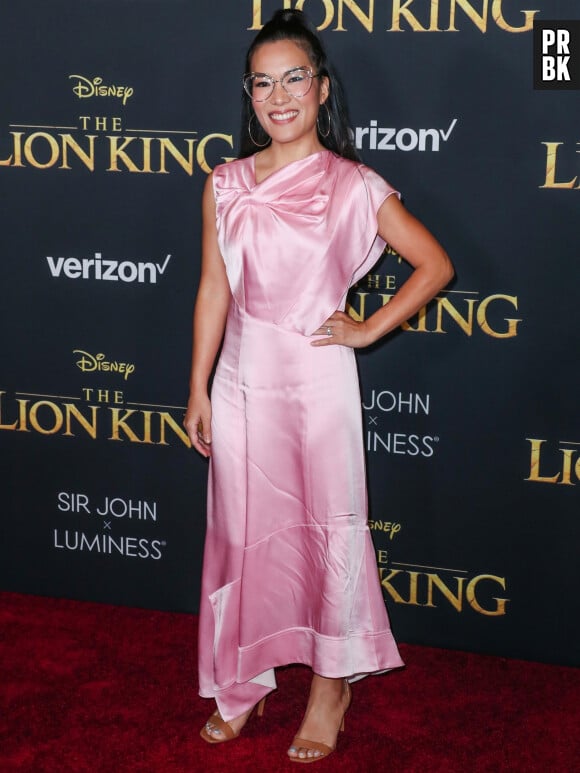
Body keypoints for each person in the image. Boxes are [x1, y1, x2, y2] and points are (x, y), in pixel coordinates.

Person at [184, 9, 453, 763]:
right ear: (250, 94)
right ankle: (241, 677)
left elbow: (434, 264)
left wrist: (367, 329)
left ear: (322, 88)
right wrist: (198, 386)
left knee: (329, 530)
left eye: (294, 78)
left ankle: (333, 680)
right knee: (240, 534)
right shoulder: (225, 183)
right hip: (240, 381)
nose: (279, 96)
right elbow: (214, 289)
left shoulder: (353, 185)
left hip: (315, 383)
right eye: (263, 82)